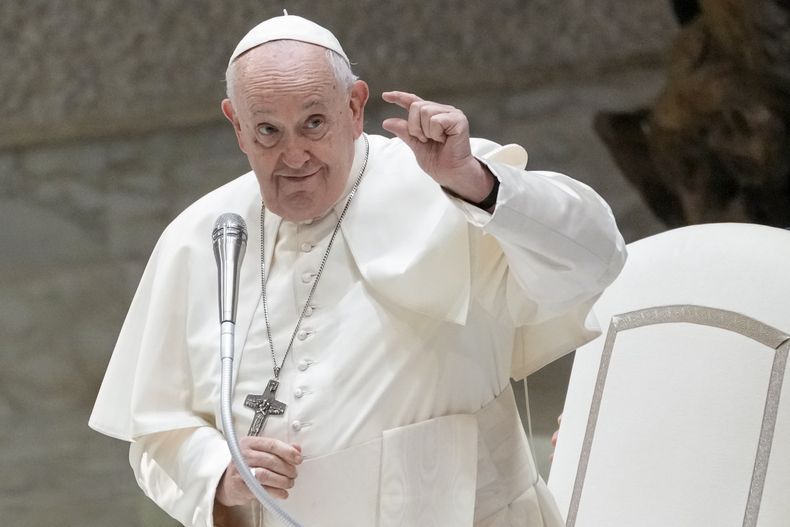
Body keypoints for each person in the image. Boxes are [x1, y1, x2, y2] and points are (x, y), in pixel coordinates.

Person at [90, 13, 626, 527]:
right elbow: (156, 433)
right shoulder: (199, 234)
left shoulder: (450, 181)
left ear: (354, 105)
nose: (294, 154)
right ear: (236, 125)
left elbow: (596, 257)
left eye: (314, 123)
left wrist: (477, 184)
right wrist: (218, 474)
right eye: (268, 131)